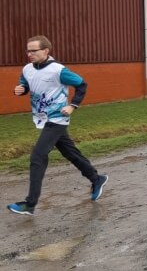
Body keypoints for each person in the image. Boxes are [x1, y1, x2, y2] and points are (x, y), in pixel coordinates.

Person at [8, 35, 109, 216]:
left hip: (57, 119)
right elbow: (25, 84)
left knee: (37, 156)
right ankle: (96, 178)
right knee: (69, 152)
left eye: (33, 51)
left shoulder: (58, 70)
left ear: (46, 51)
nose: (29, 54)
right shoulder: (27, 69)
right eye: (28, 50)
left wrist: (73, 105)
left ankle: (30, 204)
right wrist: (20, 89)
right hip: (42, 118)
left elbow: (82, 84)